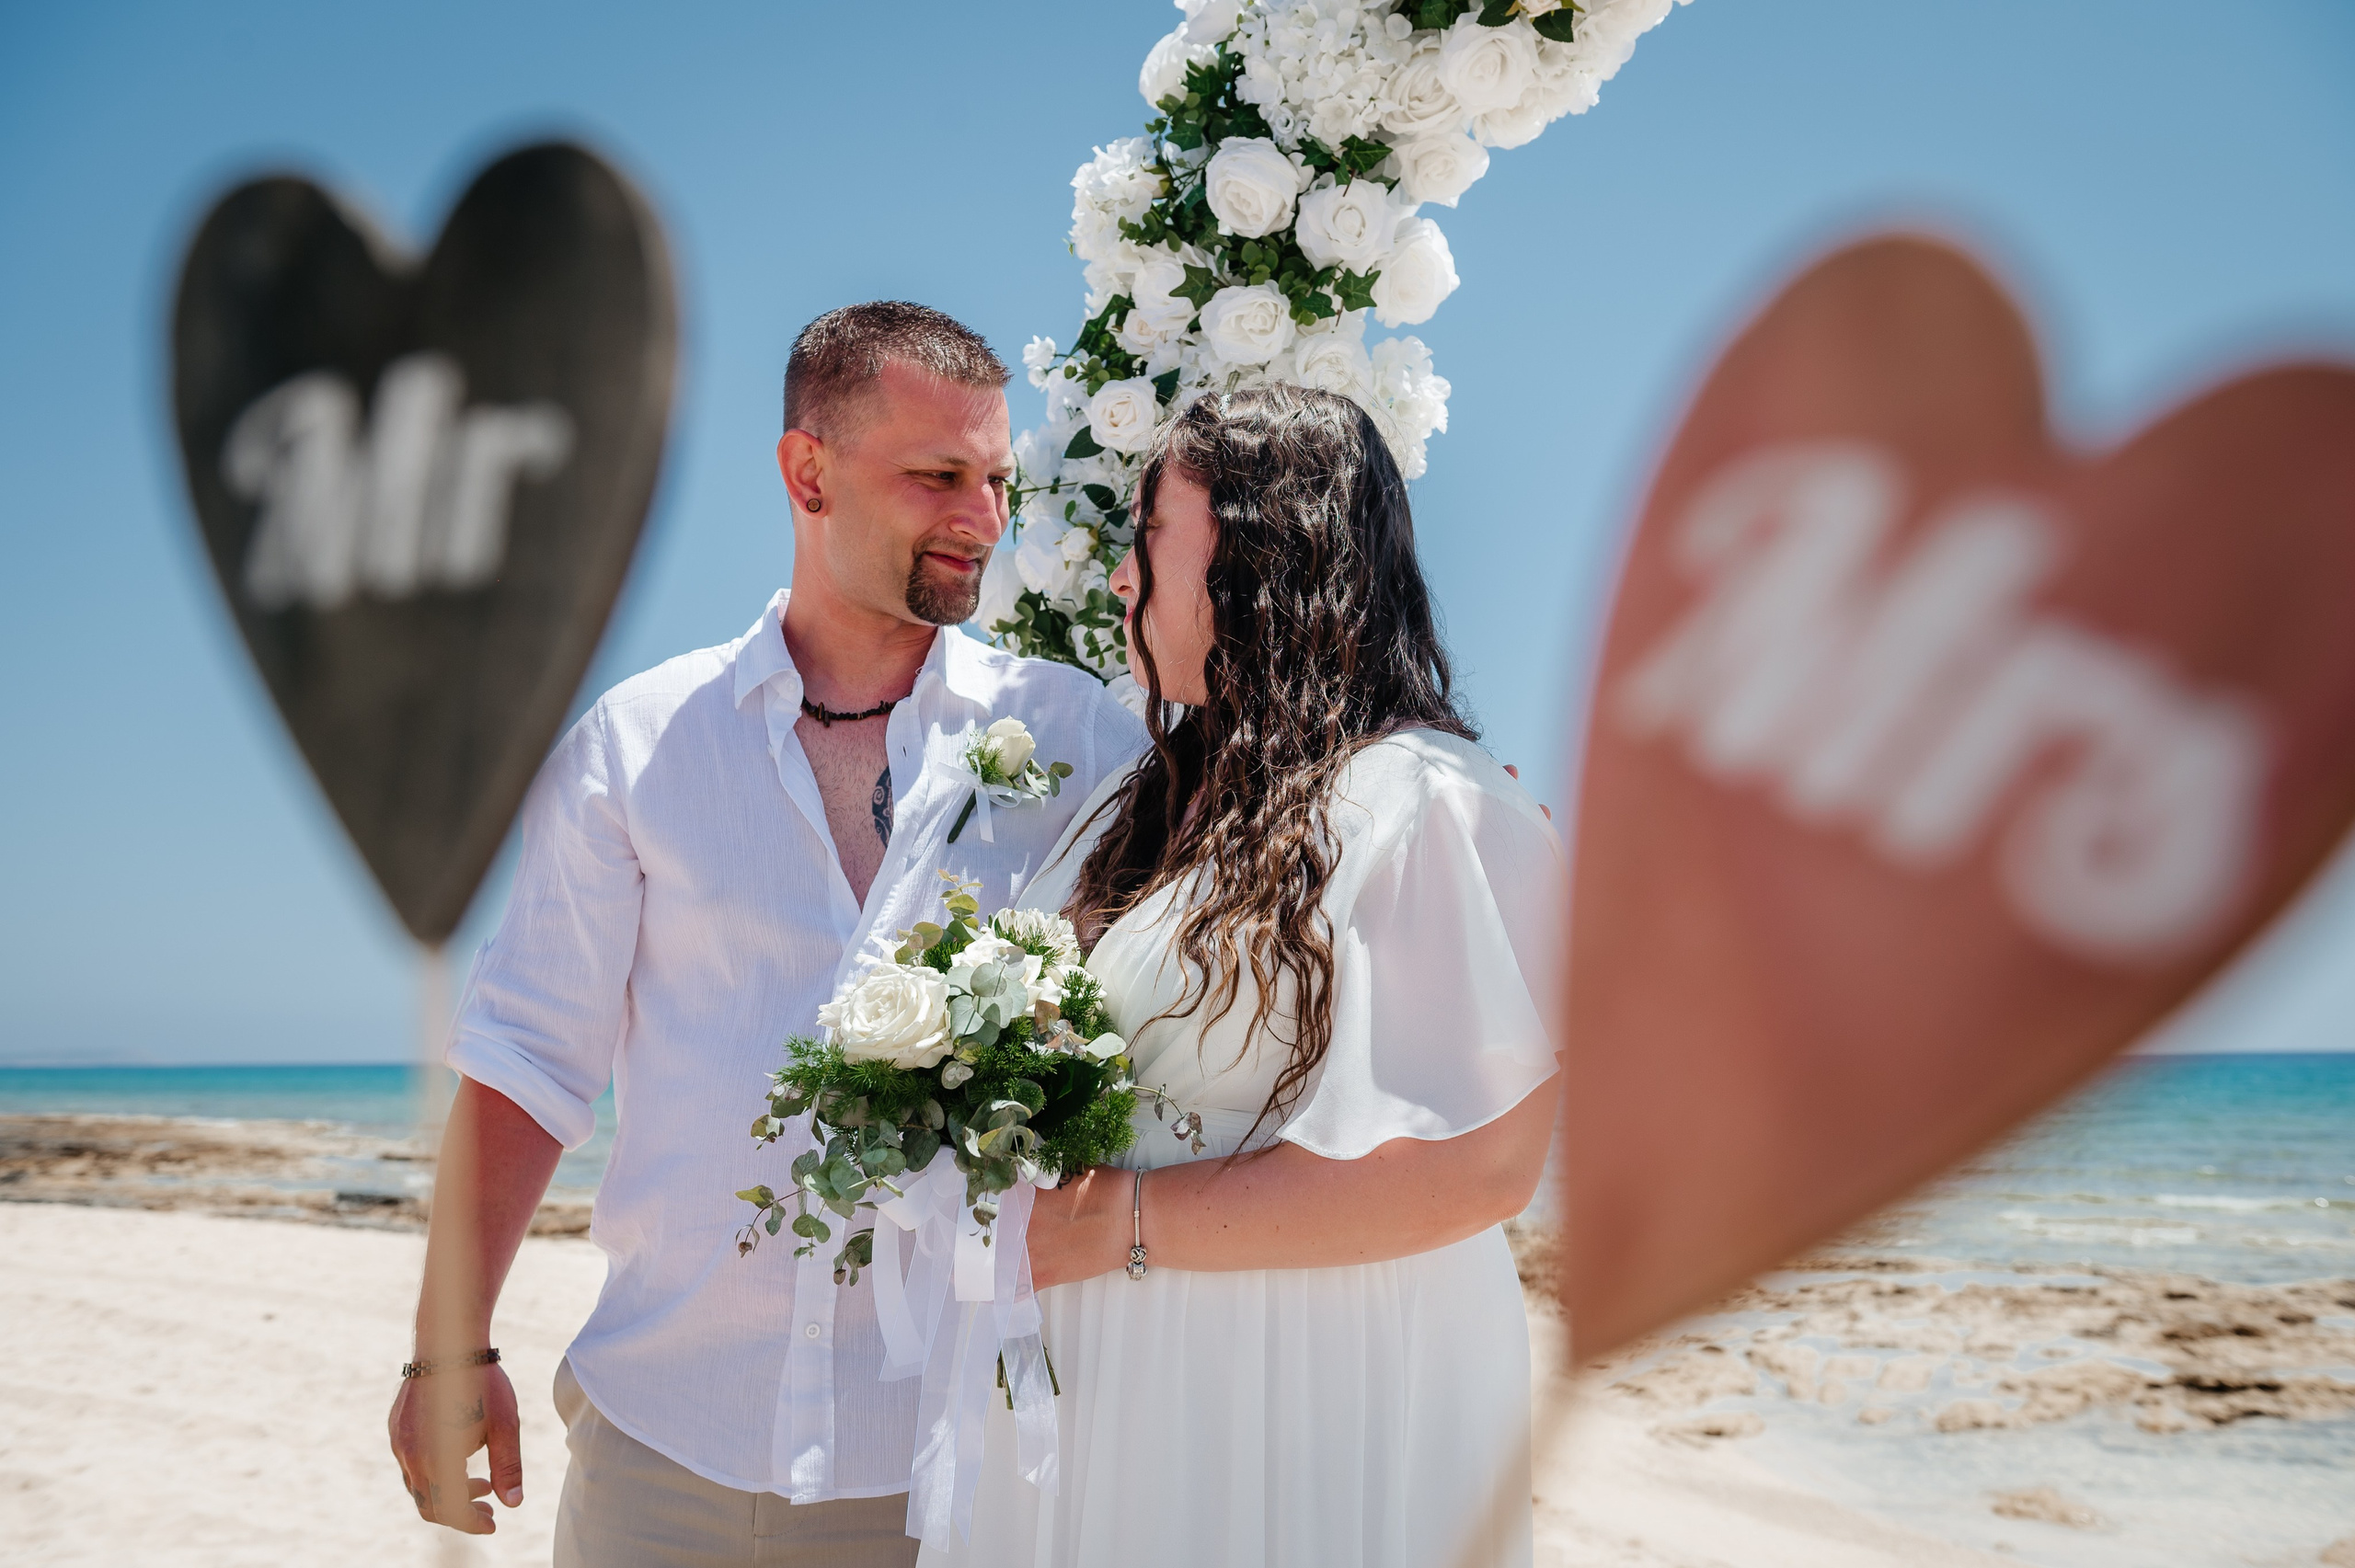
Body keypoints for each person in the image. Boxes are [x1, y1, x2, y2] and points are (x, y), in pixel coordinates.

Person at [385, 301, 1145, 1565]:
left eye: (1000, 479)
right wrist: (448, 1345)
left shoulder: (1081, 745)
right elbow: (529, 1060)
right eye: (939, 476)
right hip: (665, 1444)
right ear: (809, 472)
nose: (984, 517)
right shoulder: (635, 747)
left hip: (956, 1466)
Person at [925, 384, 1567, 1568]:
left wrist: (1117, 1224)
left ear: (1249, 558)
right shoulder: (1149, 805)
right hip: (1113, 1395)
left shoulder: (1419, 800)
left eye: (1144, 537)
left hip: (1300, 1391)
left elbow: (1482, 1165)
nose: (1120, 580)